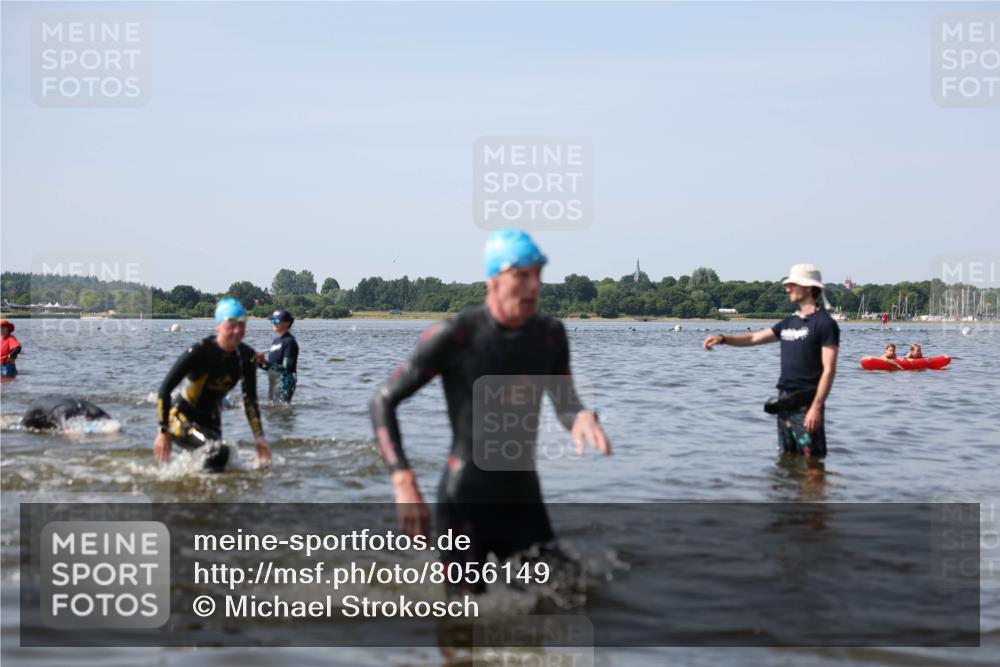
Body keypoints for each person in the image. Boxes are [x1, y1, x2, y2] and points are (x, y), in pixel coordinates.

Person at [369, 229, 610, 588]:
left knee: (566, 593)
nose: (534, 286)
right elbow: (383, 401)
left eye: (538, 274)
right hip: (465, 502)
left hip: (523, 499)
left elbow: (566, 403)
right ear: (493, 280)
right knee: (463, 619)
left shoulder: (549, 335)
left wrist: (582, 417)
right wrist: (403, 481)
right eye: (521, 275)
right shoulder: (456, 335)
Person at [703, 264, 839, 458]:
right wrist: (724, 339)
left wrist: (816, 407)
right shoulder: (789, 323)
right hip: (784, 403)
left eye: (793, 284)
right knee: (786, 461)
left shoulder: (825, 324)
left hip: (807, 405)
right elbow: (753, 338)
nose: (787, 288)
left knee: (812, 467)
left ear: (808, 288)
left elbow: (829, 369)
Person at [154, 298, 271, 472]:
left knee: (221, 458)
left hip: (210, 421)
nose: (237, 330)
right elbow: (164, 389)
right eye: (231, 324)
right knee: (218, 451)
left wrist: (259, 438)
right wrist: (163, 432)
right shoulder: (200, 352)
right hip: (179, 418)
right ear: (218, 326)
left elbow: (250, 400)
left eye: (242, 324)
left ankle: (202, 490)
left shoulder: (247, 356)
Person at [256, 309, 299, 403]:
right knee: (271, 410)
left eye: (277, 321)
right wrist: (258, 363)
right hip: (273, 381)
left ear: (287, 323)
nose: (274, 323)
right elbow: (270, 367)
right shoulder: (276, 341)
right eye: (272, 321)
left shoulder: (290, 342)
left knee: (281, 410)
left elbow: (287, 369)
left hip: (285, 383)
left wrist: (265, 362)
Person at [21, 396, 111, 431]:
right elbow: (66, 431)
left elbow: (109, 420)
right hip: (34, 417)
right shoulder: (64, 410)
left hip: (58, 405)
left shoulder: (89, 408)